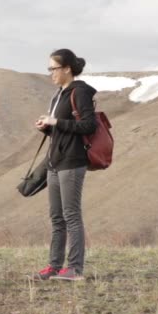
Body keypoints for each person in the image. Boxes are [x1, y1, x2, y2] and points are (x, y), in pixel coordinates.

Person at [30, 49, 97, 281]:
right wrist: (48, 127)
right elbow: (64, 130)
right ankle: (55, 266)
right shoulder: (59, 94)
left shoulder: (80, 92)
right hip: (55, 162)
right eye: (49, 69)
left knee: (71, 215)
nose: (50, 73)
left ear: (67, 68)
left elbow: (89, 125)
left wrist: (56, 121)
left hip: (73, 161)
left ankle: (75, 269)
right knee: (56, 217)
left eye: (53, 68)